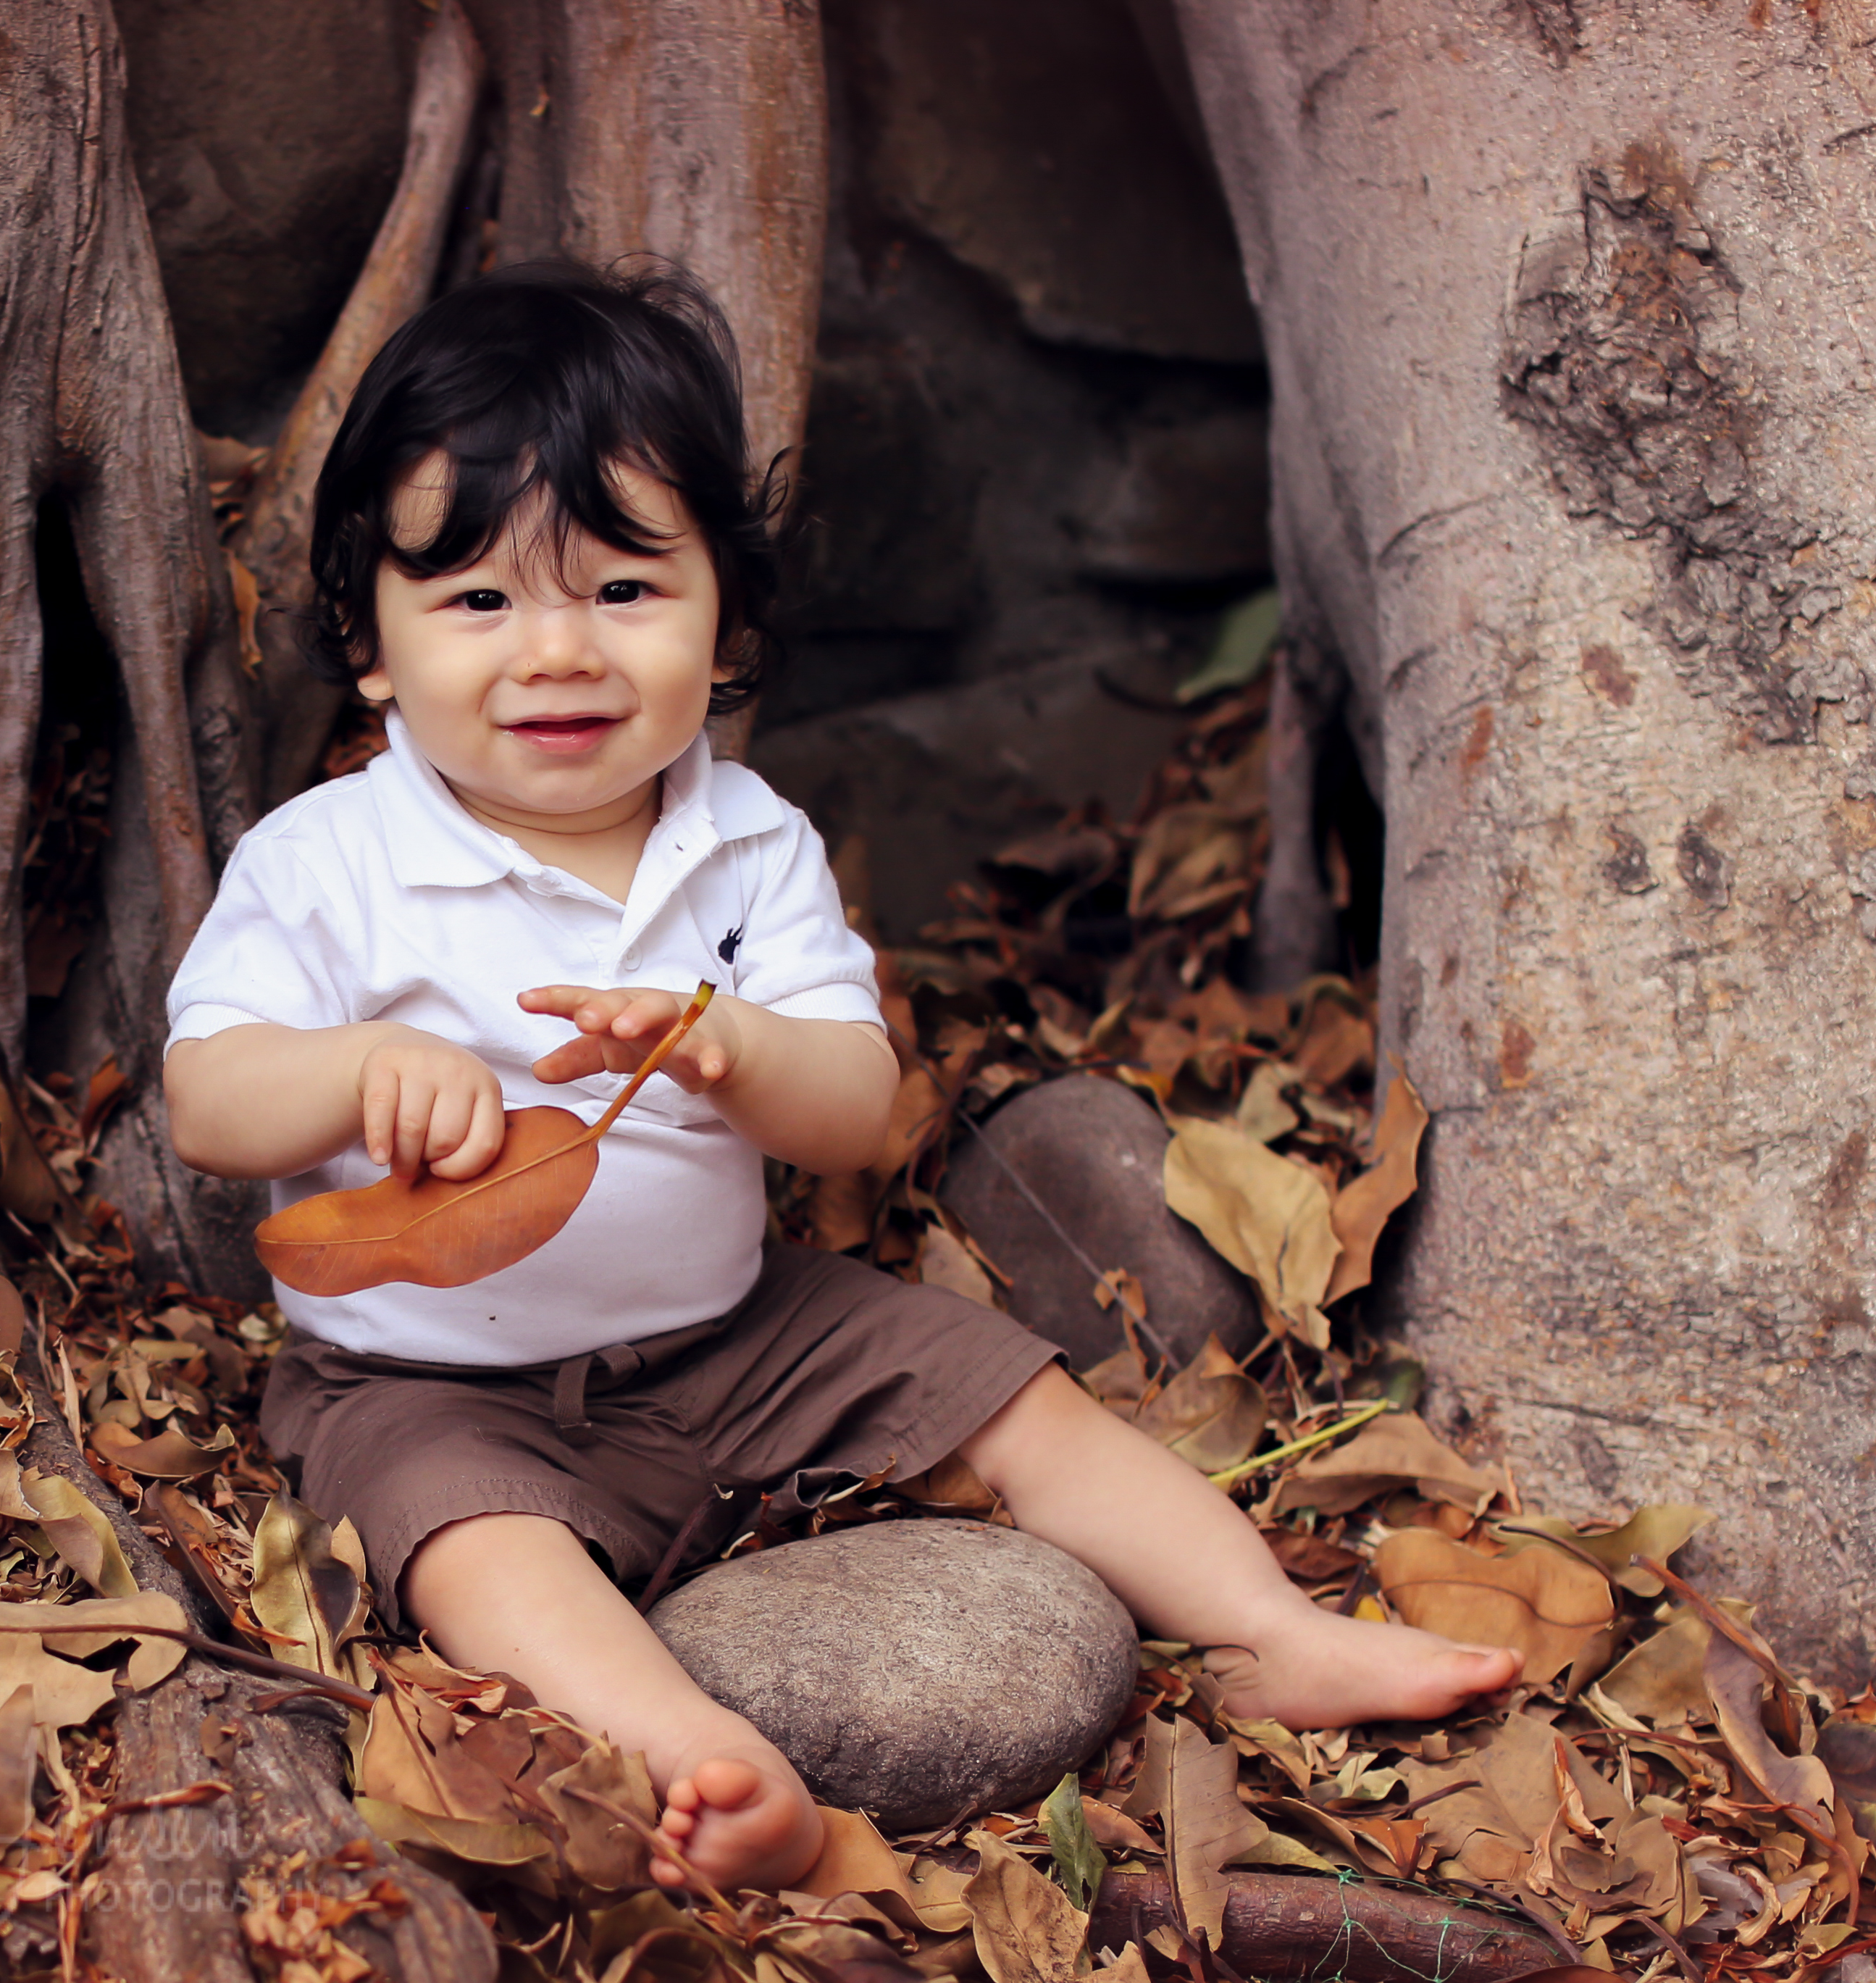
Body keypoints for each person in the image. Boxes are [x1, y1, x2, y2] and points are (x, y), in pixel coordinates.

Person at [161, 260, 1519, 1895]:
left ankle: (1270, 1629)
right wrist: (360, 1068)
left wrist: (731, 1050)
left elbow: (851, 1111)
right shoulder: (332, 863)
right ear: (369, 650)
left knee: (1010, 1389)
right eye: (478, 602)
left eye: (620, 590)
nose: (557, 652)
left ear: (723, 619)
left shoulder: (746, 846)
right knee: (470, 1547)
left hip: (739, 1334)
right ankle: (701, 1761)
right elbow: (209, 1102)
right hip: (428, 1377)